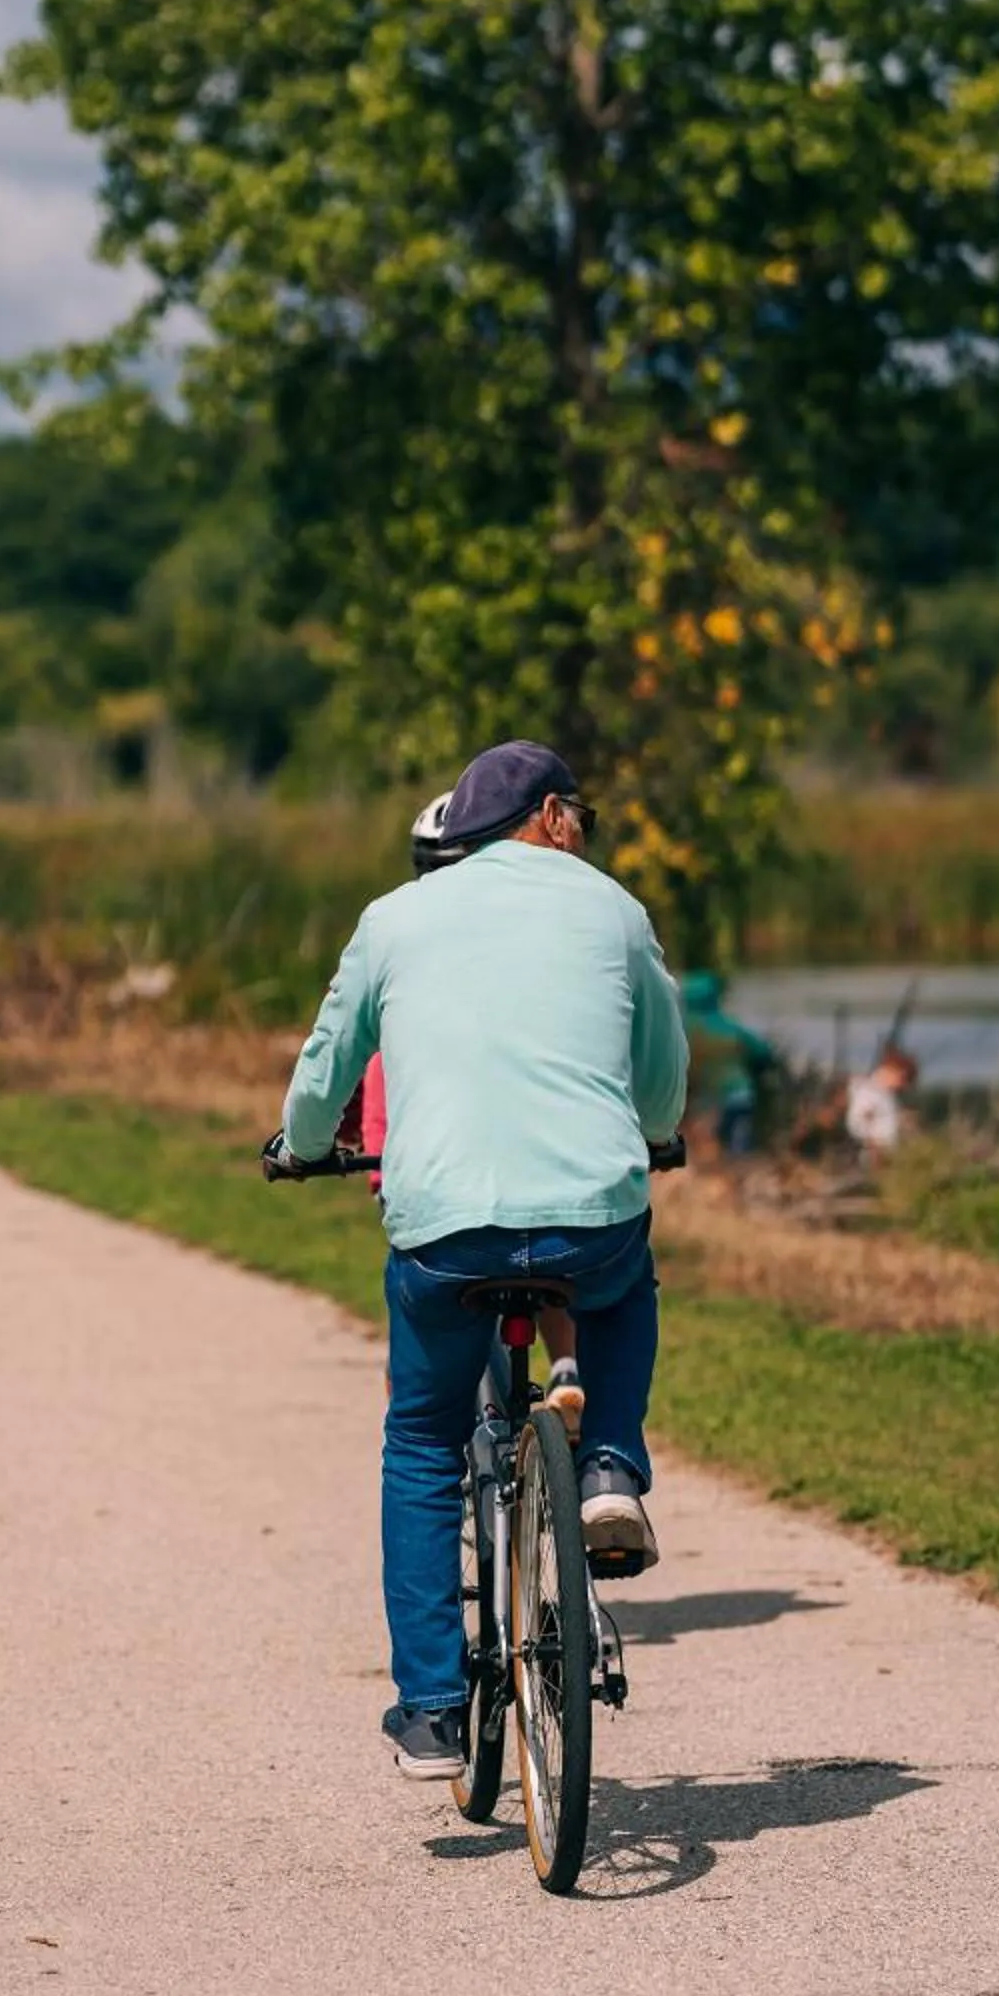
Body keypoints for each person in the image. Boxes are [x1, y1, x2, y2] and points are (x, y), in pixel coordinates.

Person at [268, 739, 688, 1786]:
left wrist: (304, 1144)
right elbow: (661, 1057)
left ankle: (431, 1710)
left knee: (420, 1439)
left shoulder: (392, 920)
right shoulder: (611, 909)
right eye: (575, 810)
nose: (582, 827)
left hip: (447, 1230)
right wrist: (653, 1128)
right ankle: (607, 1465)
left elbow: (328, 1061)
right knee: (622, 1287)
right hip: (589, 1216)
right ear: (544, 815)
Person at [347, 800, 586, 1432]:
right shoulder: (558, 936)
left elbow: (358, 1066)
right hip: (551, 1185)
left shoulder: (398, 936)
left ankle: (432, 1416)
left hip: (435, 1194)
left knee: (420, 1416)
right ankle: (575, 1389)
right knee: (581, 1272)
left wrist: (331, 1151)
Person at [680, 967, 778, 1158]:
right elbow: (764, 1055)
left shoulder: (679, 1032)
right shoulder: (729, 1027)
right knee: (738, 1152)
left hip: (700, 1105)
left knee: (703, 1152)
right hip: (738, 1097)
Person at [845, 1045, 917, 1160]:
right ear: (892, 1070)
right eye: (902, 1079)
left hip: (887, 1153)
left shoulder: (886, 1095)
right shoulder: (868, 1091)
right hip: (874, 1155)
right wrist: (873, 1146)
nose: (902, 1085)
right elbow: (858, 1123)